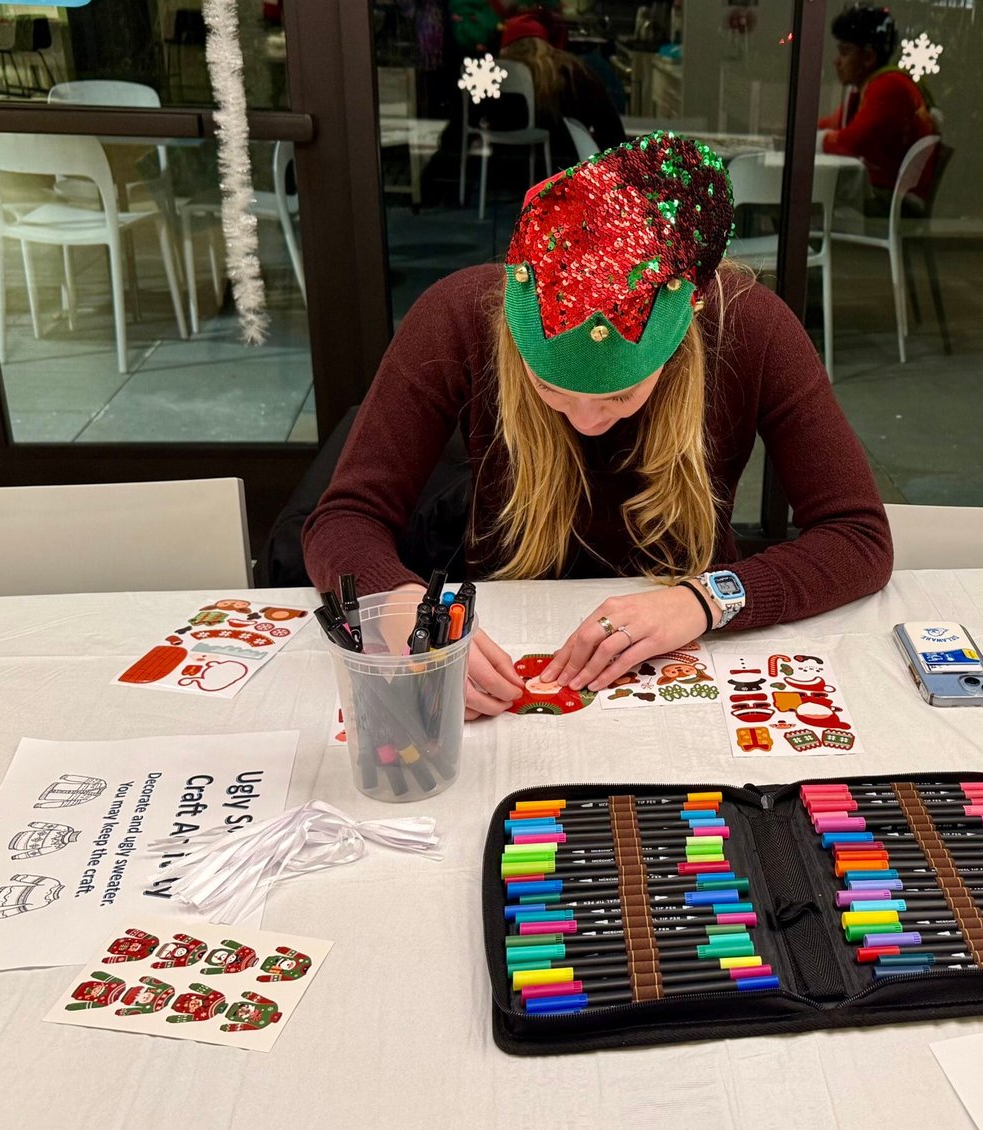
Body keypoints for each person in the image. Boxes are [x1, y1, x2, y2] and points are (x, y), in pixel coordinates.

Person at [304, 134, 893, 720]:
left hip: (690, 651)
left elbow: (858, 535)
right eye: (550, 389)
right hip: (503, 638)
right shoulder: (457, 316)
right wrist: (398, 605)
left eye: (620, 395)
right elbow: (345, 517)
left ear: (677, 346)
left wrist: (703, 600)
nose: (587, 422)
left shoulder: (750, 325)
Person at [820, 4, 937, 208]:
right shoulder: (874, 85)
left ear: (868, 57)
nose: (837, 62)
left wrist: (810, 140)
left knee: (801, 193)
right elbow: (834, 125)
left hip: (896, 201)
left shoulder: (888, 87)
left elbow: (850, 142)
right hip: (886, 193)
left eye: (845, 52)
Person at [497, 16, 625, 165]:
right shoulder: (573, 71)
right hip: (566, 165)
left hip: (505, 167)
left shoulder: (498, 75)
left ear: (505, 49)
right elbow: (611, 129)